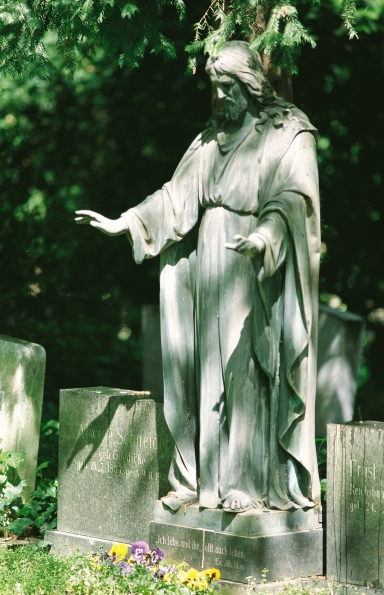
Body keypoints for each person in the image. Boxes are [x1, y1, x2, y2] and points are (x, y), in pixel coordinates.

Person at [76, 41, 321, 514]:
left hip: (255, 265)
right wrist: (127, 221)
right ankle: (208, 477)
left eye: (228, 87)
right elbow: (175, 197)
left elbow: (295, 197)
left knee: (245, 367)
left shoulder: (288, 130)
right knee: (209, 369)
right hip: (209, 264)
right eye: (215, 87)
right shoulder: (212, 137)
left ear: (250, 85)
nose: (219, 97)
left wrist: (265, 237)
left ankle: (247, 481)